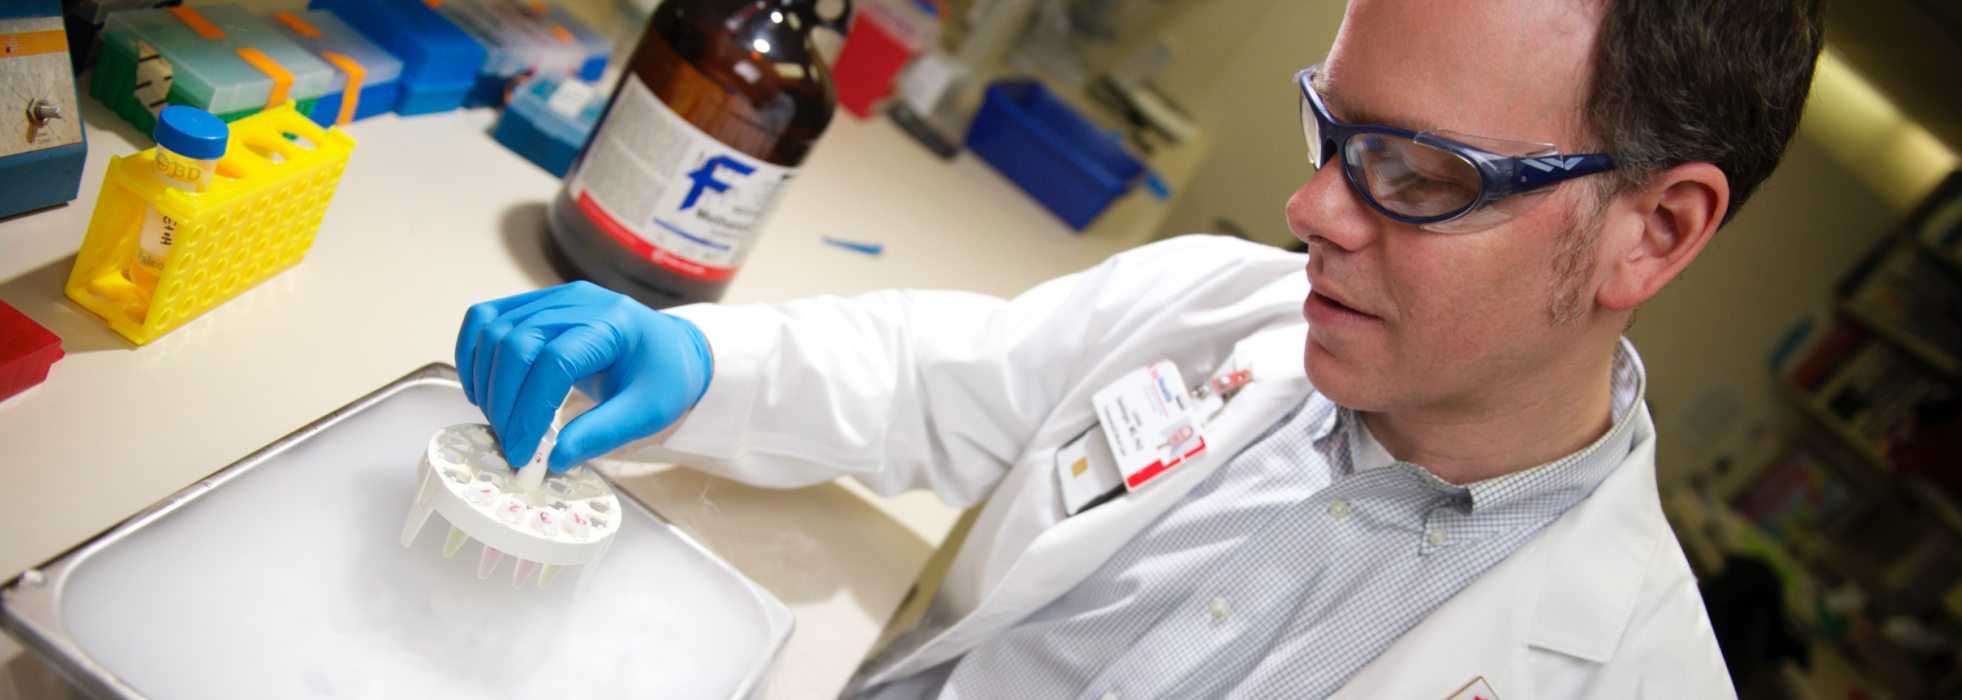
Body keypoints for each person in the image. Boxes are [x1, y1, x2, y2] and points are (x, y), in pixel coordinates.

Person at [456, 0, 1825, 696]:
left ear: (1652, 232)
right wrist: (703, 364)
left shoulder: (1627, 673)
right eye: (1331, 130)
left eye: (1416, 173)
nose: (1311, 209)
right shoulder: (1228, 309)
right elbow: (942, 379)